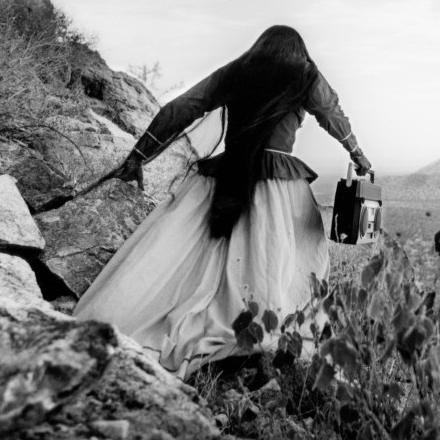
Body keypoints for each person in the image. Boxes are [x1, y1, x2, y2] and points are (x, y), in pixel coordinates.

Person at [73, 25, 371, 379]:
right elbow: (332, 113)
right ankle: (265, 328)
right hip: (277, 185)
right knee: (287, 257)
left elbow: (182, 107)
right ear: (299, 52)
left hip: (225, 176)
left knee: (190, 255)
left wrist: (140, 155)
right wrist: (358, 155)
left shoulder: (238, 70)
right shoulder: (305, 74)